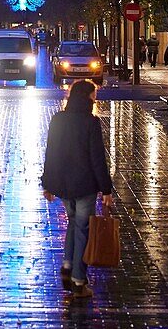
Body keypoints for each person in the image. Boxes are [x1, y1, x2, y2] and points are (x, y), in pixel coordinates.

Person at [42, 79, 113, 300]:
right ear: (87, 97)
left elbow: (51, 152)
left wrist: (48, 183)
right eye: (94, 95)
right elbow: (97, 158)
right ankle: (79, 279)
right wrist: (106, 189)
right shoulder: (90, 123)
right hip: (84, 185)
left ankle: (67, 263)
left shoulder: (58, 120)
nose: (95, 99)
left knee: (74, 223)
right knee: (82, 229)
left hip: (64, 184)